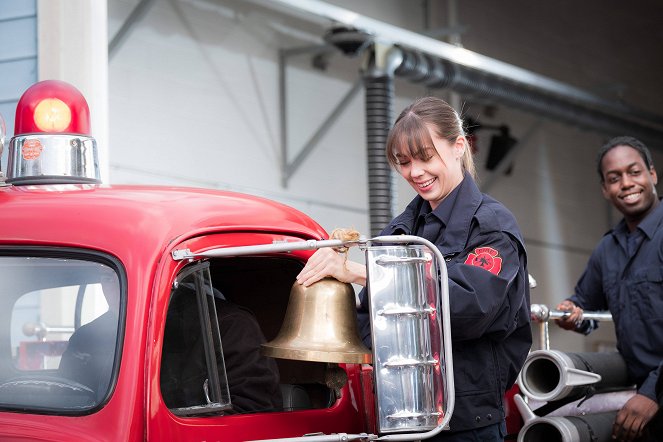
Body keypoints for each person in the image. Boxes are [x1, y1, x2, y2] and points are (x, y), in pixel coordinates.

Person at [296, 96, 531, 441]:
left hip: (468, 422)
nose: (415, 172)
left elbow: (468, 309)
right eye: (403, 162)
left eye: (425, 157)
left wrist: (363, 272)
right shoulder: (401, 230)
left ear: (458, 146)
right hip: (400, 419)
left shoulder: (492, 228)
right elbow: (368, 318)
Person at [555, 136, 663, 442]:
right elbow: (587, 306)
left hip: (651, 394)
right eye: (614, 178)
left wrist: (653, 392)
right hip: (642, 399)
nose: (626, 183)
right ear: (605, 189)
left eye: (634, 172)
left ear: (652, 174)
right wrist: (570, 313)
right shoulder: (607, 249)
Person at [59, 268, 120, 400]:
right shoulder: (83, 337)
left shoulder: (165, 329)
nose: (116, 288)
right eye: (108, 279)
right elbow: (65, 393)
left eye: (120, 279)